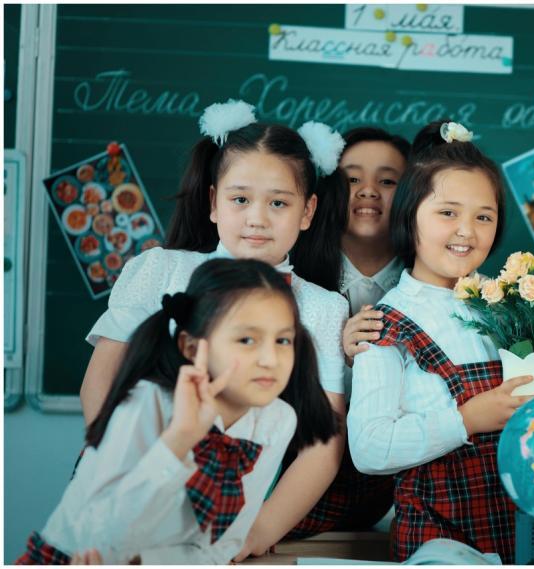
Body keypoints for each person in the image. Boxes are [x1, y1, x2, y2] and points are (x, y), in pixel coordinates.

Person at [78, 100, 350, 553]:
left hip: (234, 508)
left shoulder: (322, 308)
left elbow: (325, 442)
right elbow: (100, 386)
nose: (257, 218)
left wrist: (257, 532)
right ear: (213, 202)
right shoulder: (159, 270)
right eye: (240, 199)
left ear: (307, 211)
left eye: (279, 203)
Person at [17, 258, 338, 564]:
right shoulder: (148, 402)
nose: (270, 359)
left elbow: (224, 543)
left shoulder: (276, 420)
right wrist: (179, 439)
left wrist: (149, 562)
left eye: (283, 341)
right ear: (193, 347)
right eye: (246, 339)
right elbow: (100, 537)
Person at [347, 120, 533, 563]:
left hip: (517, 534)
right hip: (437, 539)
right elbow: (369, 448)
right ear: (409, 216)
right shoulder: (386, 322)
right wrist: (466, 419)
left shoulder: (509, 308)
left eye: (483, 217)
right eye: (447, 213)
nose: (467, 231)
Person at [269, 127, 410, 544]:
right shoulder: (294, 279)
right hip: (294, 467)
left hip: (389, 483)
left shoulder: (432, 286)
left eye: (387, 181)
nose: (368, 191)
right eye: (352, 179)